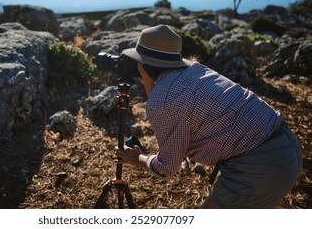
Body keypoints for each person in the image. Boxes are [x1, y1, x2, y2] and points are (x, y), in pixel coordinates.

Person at [114, 24, 303, 208]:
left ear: (145, 64)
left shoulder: (163, 100)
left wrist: (137, 159)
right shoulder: (195, 70)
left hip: (259, 166)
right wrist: (148, 81)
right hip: (286, 145)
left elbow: (166, 169)